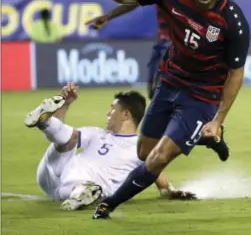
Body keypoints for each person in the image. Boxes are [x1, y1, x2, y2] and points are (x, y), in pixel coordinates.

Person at [84, 0, 250, 220]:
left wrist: (218, 118)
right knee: (143, 152)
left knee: (158, 157)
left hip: (201, 97)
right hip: (169, 82)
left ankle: (110, 204)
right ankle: (203, 138)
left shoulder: (232, 20)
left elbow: (236, 74)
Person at [24, 83, 196, 211]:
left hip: (77, 187)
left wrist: (172, 191)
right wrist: (65, 103)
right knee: (70, 139)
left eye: (112, 109)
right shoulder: (97, 133)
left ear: (126, 114)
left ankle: (82, 194)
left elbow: (161, 179)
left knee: (87, 185)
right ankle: (44, 122)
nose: (107, 113)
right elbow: (62, 138)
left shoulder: (141, 149)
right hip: (52, 174)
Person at [86, 0, 192, 100]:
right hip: (164, 39)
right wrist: (109, 16)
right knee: (153, 91)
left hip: (184, 40)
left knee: (167, 93)